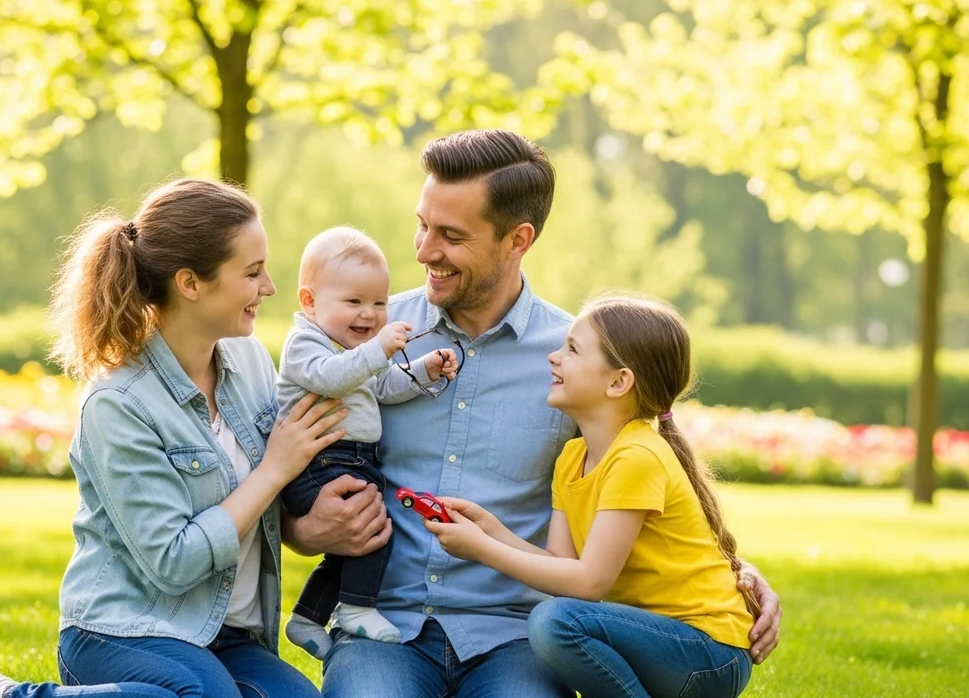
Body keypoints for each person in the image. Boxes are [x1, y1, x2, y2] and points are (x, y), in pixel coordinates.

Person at [281, 130, 782, 698]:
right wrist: (303, 528)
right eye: (422, 224)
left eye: (450, 235)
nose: (422, 250)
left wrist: (737, 572)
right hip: (384, 627)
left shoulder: (578, 360)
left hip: (516, 637)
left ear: (517, 239)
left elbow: (661, 471)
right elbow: (290, 466)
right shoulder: (362, 338)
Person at [0, 179, 341, 698]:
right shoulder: (119, 403)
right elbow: (174, 561)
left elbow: (260, 511)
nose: (269, 286)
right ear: (190, 283)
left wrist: (312, 526)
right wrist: (276, 467)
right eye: (252, 272)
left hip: (224, 633)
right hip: (122, 628)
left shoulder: (250, 362)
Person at [428, 296, 759, 698]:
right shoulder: (572, 456)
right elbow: (562, 569)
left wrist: (482, 549)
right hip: (653, 641)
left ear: (618, 381)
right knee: (554, 618)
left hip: (707, 651)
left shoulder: (637, 456)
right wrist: (492, 531)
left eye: (571, 349)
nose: (553, 358)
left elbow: (589, 585)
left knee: (553, 624)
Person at [276, 226, 459, 659]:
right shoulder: (306, 343)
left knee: (350, 545)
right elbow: (331, 378)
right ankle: (357, 608)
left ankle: (306, 617)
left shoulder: (355, 349)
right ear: (309, 301)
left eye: (379, 303)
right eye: (354, 302)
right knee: (375, 530)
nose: (369, 314)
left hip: (352, 461)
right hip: (319, 462)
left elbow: (385, 387)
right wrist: (378, 348)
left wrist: (425, 369)